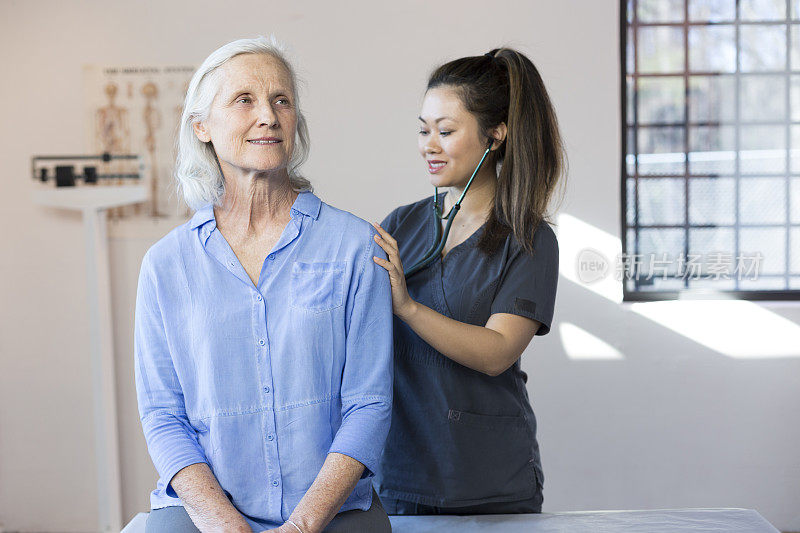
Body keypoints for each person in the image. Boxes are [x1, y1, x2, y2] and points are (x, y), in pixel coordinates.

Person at [134, 36, 393, 533]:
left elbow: (370, 402)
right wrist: (223, 523)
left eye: (282, 101)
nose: (268, 116)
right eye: (244, 100)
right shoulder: (165, 265)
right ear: (202, 127)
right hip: (202, 511)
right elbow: (162, 415)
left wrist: (304, 524)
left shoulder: (356, 246)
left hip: (333, 509)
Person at [371, 48, 566, 515]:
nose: (428, 145)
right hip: (397, 469)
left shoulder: (529, 238)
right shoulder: (402, 224)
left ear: (495, 136)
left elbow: (498, 352)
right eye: (423, 129)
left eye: (446, 130)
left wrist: (409, 308)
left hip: (483, 476)